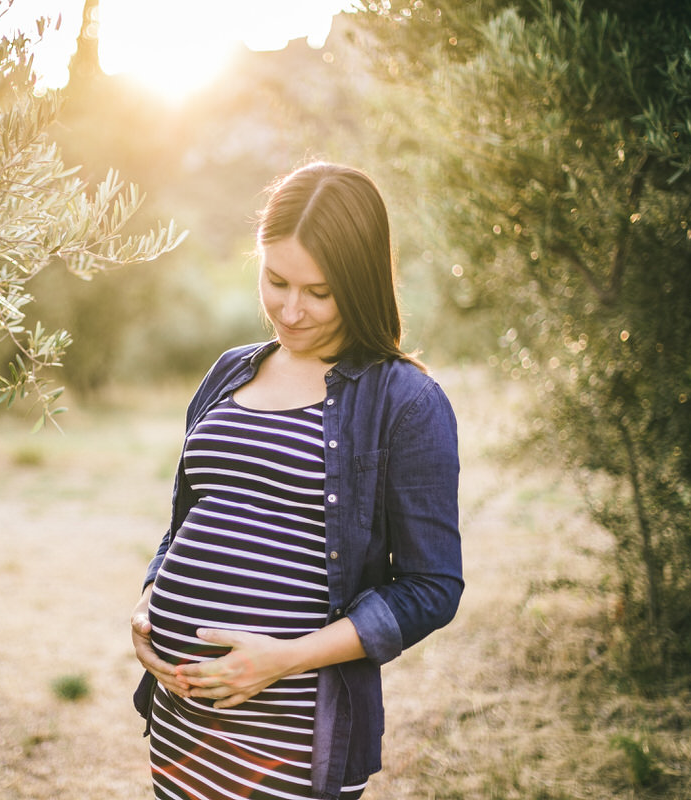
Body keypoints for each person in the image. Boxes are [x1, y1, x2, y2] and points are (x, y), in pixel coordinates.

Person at [130, 162, 464, 800]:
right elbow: (186, 523)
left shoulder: (405, 402)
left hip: (288, 735)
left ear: (361, 285)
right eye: (276, 279)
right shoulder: (229, 373)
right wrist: (151, 603)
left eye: (319, 291)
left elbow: (432, 587)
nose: (290, 308)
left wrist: (281, 659)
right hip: (182, 724)